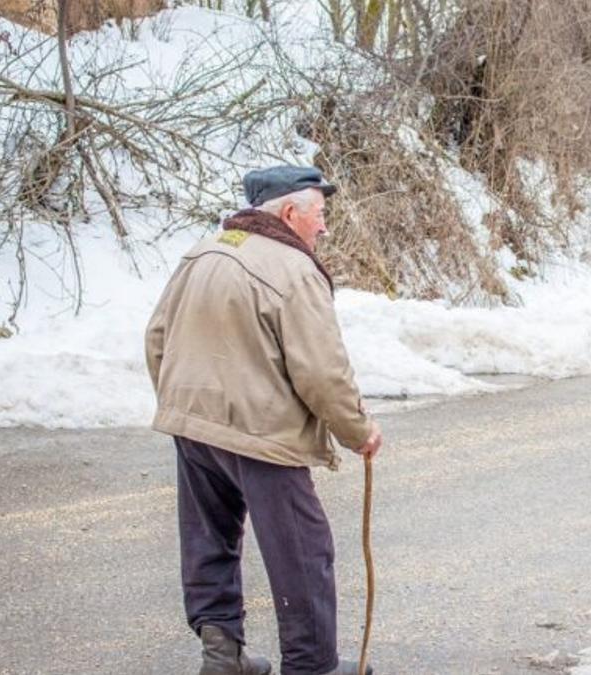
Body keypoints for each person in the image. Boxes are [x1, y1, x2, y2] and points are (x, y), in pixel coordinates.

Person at [145, 166, 381, 675]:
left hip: (193, 425)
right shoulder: (293, 269)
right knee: (302, 551)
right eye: (320, 214)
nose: (324, 227)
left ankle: (221, 655)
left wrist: (183, 403)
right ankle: (312, 666)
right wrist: (358, 430)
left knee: (210, 539)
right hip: (261, 434)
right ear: (290, 212)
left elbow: (157, 337)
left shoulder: (203, 252)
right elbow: (322, 371)